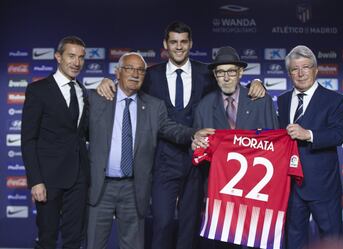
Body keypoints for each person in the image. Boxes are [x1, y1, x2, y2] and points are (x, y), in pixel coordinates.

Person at [96, 21, 265, 249]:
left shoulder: (206, 73)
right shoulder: (151, 75)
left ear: (190, 44)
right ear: (165, 44)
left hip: (197, 162)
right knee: (162, 224)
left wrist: (255, 83)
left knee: (190, 226)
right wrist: (108, 82)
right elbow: (128, 87)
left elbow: (230, 82)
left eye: (183, 42)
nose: (178, 47)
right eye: (173, 42)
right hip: (163, 161)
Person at [86, 52, 213, 249]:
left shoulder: (154, 107)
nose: (135, 74)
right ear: (117, 72)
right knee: (94, 244)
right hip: (101, 187)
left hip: (133, 189)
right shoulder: (96, 99)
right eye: (129, 69)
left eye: (140, 70)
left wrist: (194, 134)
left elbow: (172, 129)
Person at [191, 46, 279, 249]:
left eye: (231, 71)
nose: (227, 77)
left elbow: (274, 145)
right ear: (215, 75)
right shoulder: (204, 106)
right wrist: (196, 146)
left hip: (256, 192)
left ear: (240, 73)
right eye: (221, 72)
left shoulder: (260, 100)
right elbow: (195, 151)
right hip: (221, 195)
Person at [277, 45, 343, 249]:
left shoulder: (334, 100)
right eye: (294, 69)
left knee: (331, 241)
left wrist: (308, 134)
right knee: (294, 240)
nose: (300, 73)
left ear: (315, 70)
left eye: (306, 67)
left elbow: (338, 135)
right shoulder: (282, 100)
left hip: (323, 187)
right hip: (290, 186)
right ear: (289, 73)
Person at [21, 36, 89, 249]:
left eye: (81, 57)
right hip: (48, 179)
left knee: (74, 239)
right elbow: (28, 139)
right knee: (47, 239)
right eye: (71, 56)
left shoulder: (83, 92)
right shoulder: (38, 90)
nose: (76, 62)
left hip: (78, 178)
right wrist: (35, 181)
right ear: (58, 57)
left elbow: (83, 134)